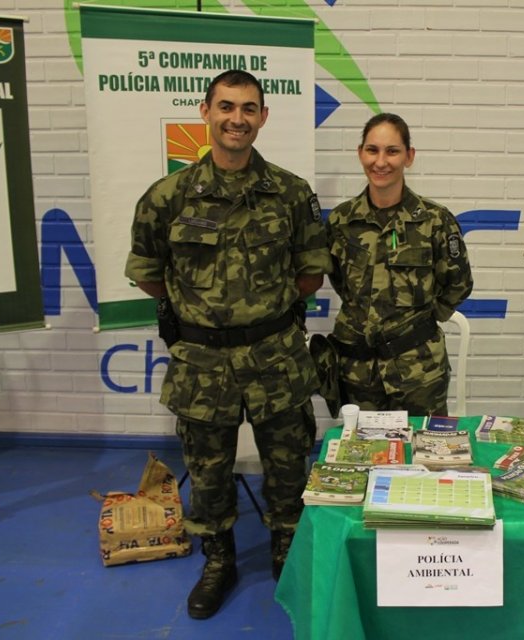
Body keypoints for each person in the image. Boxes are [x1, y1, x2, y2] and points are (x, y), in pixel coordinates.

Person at [124, 70, 331, 620]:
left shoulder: (291, 194)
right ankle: (219, 561)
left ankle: (289, 551)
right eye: (226, 107)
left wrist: (262, 310)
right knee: (209, 471)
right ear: (206, 112)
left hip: (275, 355)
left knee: (288, 466)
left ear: (263, 117)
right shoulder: (167, 196)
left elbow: (311, 269)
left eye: (248, 108)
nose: (236, 118)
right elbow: (148, 272)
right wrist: (204, 314)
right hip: (202, 361)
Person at [324, 113, 473, 416]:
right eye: (372, 150)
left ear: (409, 156)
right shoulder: (341, 221)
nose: (381, 162)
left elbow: (458, 283)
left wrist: (420, 325)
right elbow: (341, 282)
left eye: (392, 151)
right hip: (359, 372)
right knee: (364, 457)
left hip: (419, 373)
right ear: (360, 153)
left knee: (424, 457)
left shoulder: (434, 220)